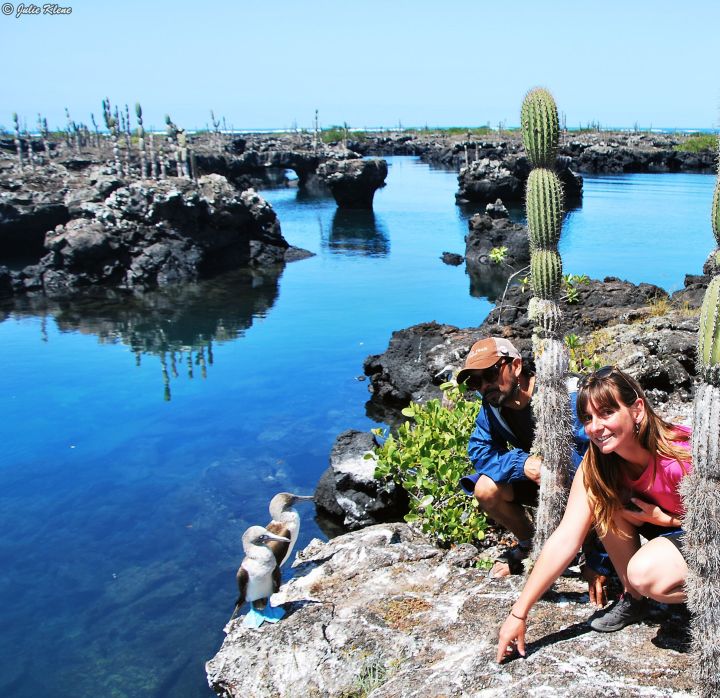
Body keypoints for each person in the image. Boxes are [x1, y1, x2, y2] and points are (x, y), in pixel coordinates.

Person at [495, 366, 691, 662]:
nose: (595, 427)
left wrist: (669, 521)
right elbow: (566, 537)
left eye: (607, 413)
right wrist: (519, 612)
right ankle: (633, 598)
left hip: (705, 532)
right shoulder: (599, 463)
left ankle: (705, 594)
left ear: (637, 409)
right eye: (588, 418)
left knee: (648, 575)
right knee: (605, 504)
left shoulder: (681, 455)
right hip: (668, 530)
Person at [457, 337, 606, 588]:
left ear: (515, 366)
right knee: (485, 489)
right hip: (543, 481)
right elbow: (480, 450)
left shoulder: (570, 396)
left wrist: (597, 560)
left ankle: (589, 551)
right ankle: (530, 544)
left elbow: (603, 465)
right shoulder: (493, 406)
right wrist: (522, 464)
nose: (484, 386)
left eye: (490, 374)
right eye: (475, 381)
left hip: (588, 485)